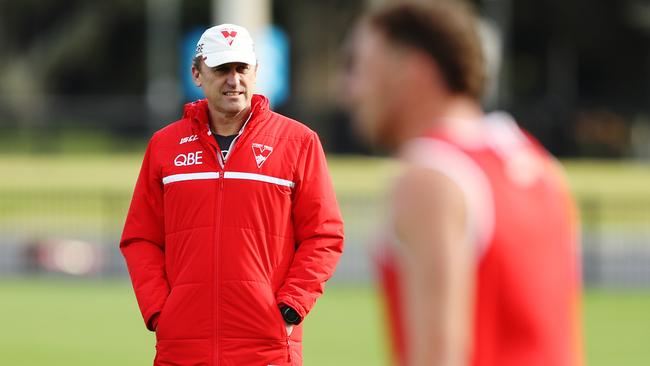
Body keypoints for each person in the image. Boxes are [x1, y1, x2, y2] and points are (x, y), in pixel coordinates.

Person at [344, 2, 582, 366]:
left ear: (413, 70)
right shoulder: (536, 162)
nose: (350, 89)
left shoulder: (430, 176)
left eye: (358, 67)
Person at [120, 23, 344, 365]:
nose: (233, 80)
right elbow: (140, 238)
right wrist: (161, 312)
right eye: (221, 69)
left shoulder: (299, 142)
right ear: (197, 73)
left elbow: (323, 235)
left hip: (267, 348)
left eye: (242, 68)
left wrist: (291, 307)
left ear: (256, 72)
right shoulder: (164, 146)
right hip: (182, 348)